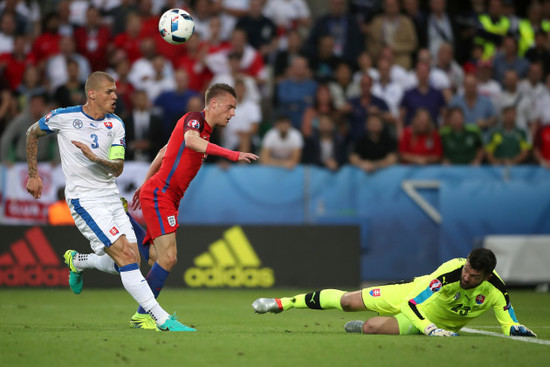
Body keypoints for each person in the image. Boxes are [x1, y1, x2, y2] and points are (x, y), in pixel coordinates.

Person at [25, 71, 192, 332]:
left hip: (111, 197)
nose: (115, 96)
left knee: (132, 260)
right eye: (109, 92)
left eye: (115, 91)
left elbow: (117, 168)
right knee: (125, 257)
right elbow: (32, 133)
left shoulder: (116, 124)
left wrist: (95, 158)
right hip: (84, 200)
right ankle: (161, 319)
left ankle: (79, 261)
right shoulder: (63, 117)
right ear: (91, 93)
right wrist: (33, 175)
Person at [128, 83, 258, 328]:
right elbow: (189, 141)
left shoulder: (206, 132)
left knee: (156, 258)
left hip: (163, 195)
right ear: (214, 104)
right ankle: (143, 315)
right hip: (161, 194)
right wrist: (233, 154)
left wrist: (143, 185)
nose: (233, 113)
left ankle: (124, 221)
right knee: (169, 258)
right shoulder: (194, 120)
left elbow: (164, 151)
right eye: (230, 107)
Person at [252, 248, 537, 338]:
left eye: (473, 276)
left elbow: (508, 320)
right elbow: (412, 304)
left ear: (486, 277)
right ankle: (281, 303)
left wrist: (516, 329)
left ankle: (368, 325)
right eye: (466, 270)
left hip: (429, 320)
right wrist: (430, 330)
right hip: (414, 299)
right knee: (349, 301)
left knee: (370, 327)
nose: (466, 277)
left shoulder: (496, 288)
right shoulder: (450, 273)